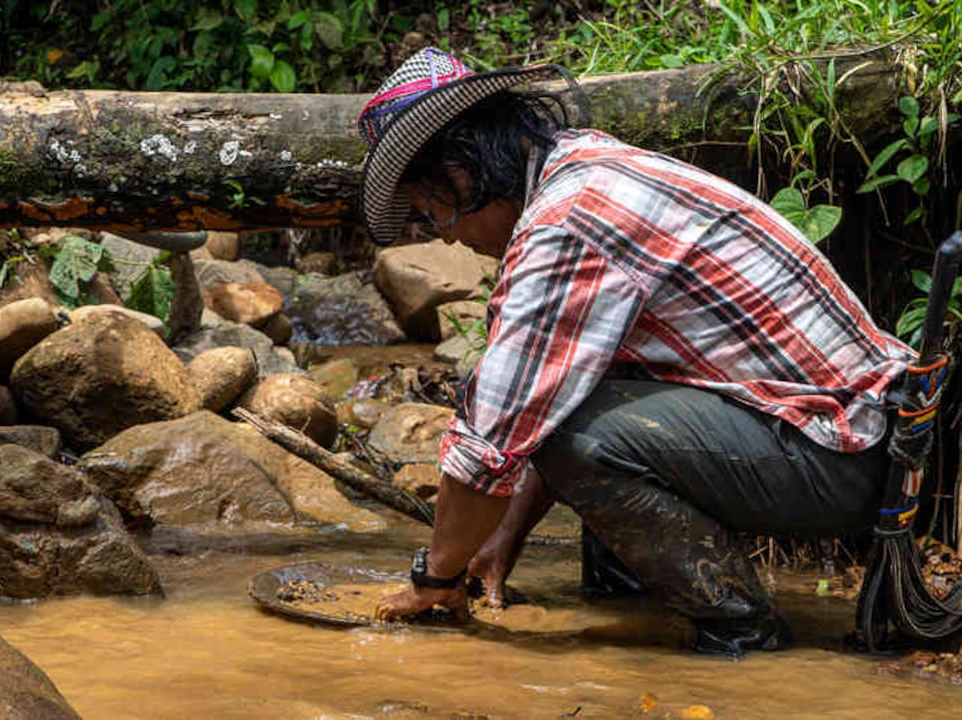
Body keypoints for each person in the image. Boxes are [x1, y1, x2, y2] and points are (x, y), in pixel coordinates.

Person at [358, 48, 914, 657]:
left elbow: (497, 429)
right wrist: (498, 544)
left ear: (462, 170)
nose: (444, 234)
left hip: (837, 454)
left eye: (430, 209)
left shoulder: (567, 221)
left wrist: (434, 577)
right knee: (574, 412)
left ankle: (740, 631)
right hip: (847, 435)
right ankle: (637, 615)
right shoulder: (583, 167)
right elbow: (555, 390)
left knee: (576, 437)